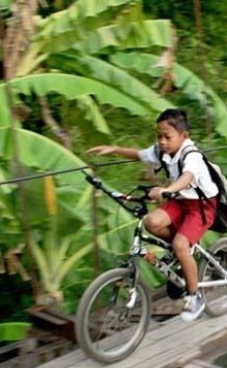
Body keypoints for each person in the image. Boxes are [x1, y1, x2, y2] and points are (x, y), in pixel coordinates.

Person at [87, 108, 218, 322]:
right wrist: (113, 150)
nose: (162, 141)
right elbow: (139, 155)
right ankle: (183, 245)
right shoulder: (161, 152)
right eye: (159, 136)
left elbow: (187, 177)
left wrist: (167, 190)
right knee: (151, 222)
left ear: (184, 136)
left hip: (201, 206)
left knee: (179, 245)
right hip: (179, 201)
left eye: (167, 136)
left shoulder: (191, 155)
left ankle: (195, 297)